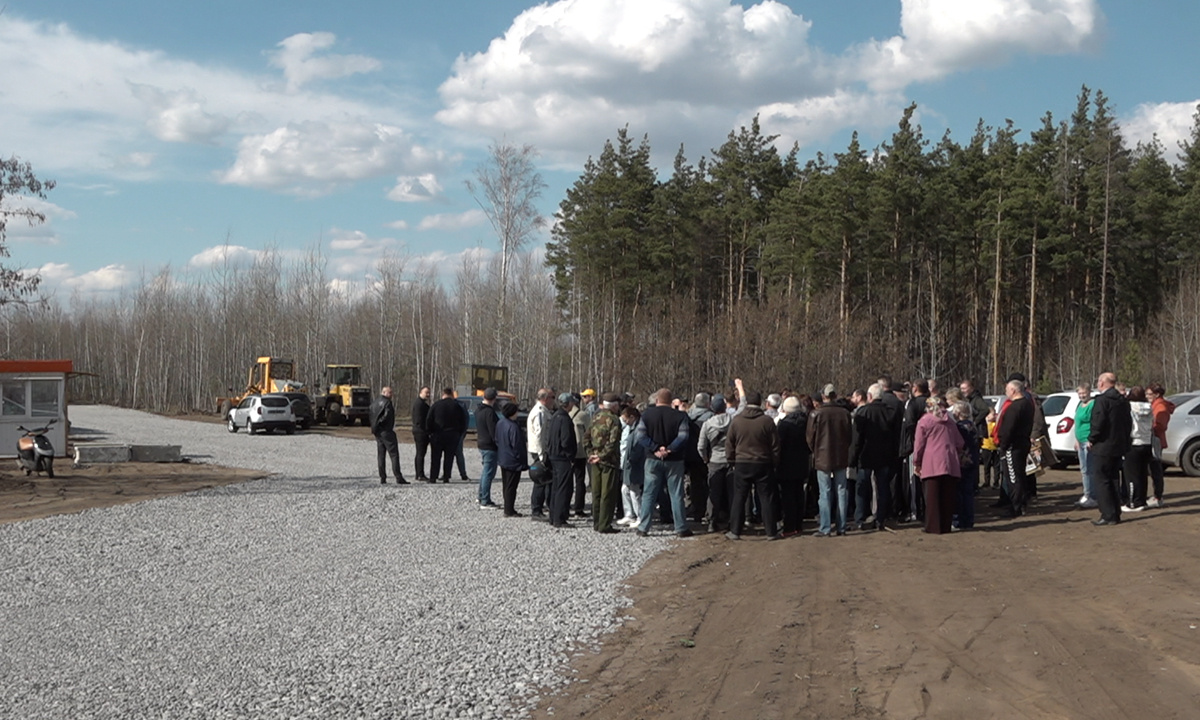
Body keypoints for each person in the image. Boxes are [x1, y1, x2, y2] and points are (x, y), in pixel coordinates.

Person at [634, 388, 691, 538]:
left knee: (649, 494)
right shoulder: (680, 416)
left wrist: (655, 448)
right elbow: (683, 436)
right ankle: (681, 528)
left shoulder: (646, 415)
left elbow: (640, 436)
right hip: (674, 460)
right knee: (676, 494)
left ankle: (643, 527)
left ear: (657, 401)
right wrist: (670, 449)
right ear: (671, 402)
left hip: (653, 459)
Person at [725, 390, 781, 541]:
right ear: (761, 403)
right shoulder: (767, 421)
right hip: (763, 463)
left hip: (742, 463)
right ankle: (771, 532)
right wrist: (774, 462)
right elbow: (775, 446)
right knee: (766, 498)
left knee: (739, 497)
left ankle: (735, 531)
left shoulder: (737, 421)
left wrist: (731, 462)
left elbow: (729, 444)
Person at [913, 397, 963, 534]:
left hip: (931, 462)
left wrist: (916, 462)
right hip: (950, 461)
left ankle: (933, 526)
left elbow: (919, 445)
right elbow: (960, 443)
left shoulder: (924, 421)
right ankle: (946, 526)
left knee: (932, 497)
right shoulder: (951, 422)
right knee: (947, 497)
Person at [807, 386, 852, 537]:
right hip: (840, 456)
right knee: (841, 491)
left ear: (823, 396)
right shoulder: (844, 413)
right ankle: (842, 527)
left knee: (824, 492)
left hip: (822, 457)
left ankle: (825, 527)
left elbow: (809, 438)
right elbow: (849, 436)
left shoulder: (816, 414)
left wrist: (816, 450)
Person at [849, 383, 895, 531]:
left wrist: (853, 458)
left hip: (866, 455)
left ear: (869, 396)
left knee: (862, 487)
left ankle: (860, 518)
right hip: (885, 455)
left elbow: (857, 439)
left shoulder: (863, 413)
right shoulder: (890, 412)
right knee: (883, 488)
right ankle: (881, 518)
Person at [1088, 372, 1132, 526]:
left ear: (1102, 383)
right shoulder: (1123, 401)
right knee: (1114, 479)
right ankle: (1115, 512)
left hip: (1103, 446)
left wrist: (1091, 439)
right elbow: (1129, 423)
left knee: (1102, 480)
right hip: (1118, 446)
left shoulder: (1102, 400)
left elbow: (1098, 422)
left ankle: (1107, 514)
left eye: (1099, 381)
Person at [586, 393, 623, 533]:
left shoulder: (595, 417)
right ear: (614, 405)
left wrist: (591, 454)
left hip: (594, 460)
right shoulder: (614, 420)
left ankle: (596, 523)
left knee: (596, 493)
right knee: (607, 493)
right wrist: (601, 456)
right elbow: (613, 443)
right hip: (609, 461)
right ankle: (605, 525)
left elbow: (586, 437)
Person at [996, 379, 1034, 518]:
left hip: (1013, 446)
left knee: (1013, 478)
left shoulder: (1015, 407)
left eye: (1007, 390)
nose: (1006, 393)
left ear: (1013, 390)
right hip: (1022, 443)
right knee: (1020, 475)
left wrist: (1003, 446)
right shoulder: (1028, 404)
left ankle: (1015, 507)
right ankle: (1021, 503)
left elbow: (1008, 429)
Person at [698, 394, 733, 532]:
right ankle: (733, 521)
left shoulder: (707, 424)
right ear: (725, 407)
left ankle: (712, 521)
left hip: (714, 461)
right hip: (731, 460)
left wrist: (705, 458)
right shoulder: (732, 420)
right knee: (732, 493)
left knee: (714, 493)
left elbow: (701, 446)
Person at [776, 395, 810, 537]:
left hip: (786, 464)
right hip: (802, 463)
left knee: (788, 496)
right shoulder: (807, 422)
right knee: (799, 494)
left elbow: (778, 445)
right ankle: (799, 525)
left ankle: (789, 527)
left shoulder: (784, 425)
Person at [546, 392, 578, 528]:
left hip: (553, 455)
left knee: (555, 487)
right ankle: (559, 518)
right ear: (569, 404)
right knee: (563, 488)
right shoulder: (565, 419)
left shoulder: (554, 416)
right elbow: (566, 441)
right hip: (562, 457)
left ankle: (553, 516)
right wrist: (571, 456)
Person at [900, 379, 929, 522]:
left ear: (916, 388)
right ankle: (927, 509)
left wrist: (915, 440)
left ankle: (915, 511)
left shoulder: (913, 404)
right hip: (932, 446)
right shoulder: (932, 402)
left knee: (914, 479)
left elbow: (910, 424)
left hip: (915, 446)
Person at [685, 393, 715, 523]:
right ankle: (710, 511)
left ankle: (697, 511)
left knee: (695, 484)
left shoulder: (687, 417)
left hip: (691, 455)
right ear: (708, 403)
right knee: (710, 484)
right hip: (708, 454)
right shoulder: (711, 417)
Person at [369, 386, 408, 485]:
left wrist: (375, 426)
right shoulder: (387, 403)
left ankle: (382, 477)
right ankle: (398, 477)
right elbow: (387, 415)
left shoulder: (374, 403)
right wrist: (381, 423)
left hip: (377, 431)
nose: (392, 395)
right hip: (386, 431)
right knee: (394, 454)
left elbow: (370, 416)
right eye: (390, 393)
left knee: (381, 455)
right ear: (384, 392)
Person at [1124, 386, 1154, 512]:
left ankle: (1133, 503)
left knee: (1131, 475)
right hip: (1146, 442)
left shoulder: (1129, 407)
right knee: (1142, 474)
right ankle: (1141, 500)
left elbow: (1127, 425)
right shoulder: (1149, 407)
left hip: (1134, 442)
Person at [495, 402, 528, 517]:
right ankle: (509, 510)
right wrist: (521, 459)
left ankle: (507, 507)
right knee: (512, 486)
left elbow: (497, 439)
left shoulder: (500, 423)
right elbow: (517, 445)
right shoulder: (513, 426)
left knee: (506, 484)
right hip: (513, 460)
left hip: (503, 457)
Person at [427, 388, 465, 483]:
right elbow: (463, 421)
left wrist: (430, 432)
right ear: (452, 394)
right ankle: (446, 476)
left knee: (435, 457)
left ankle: (433, 477)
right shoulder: (457, 406)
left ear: (443, 394)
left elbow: (429, 419)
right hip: (452, 435)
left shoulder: (436, 405)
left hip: (438, 434)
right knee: (449, 457)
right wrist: (459, 433)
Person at [1146, 383, 1174, 508]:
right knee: (1153, 469)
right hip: (1154, 438)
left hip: (1156, 439)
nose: (1147, 396)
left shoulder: (1160, 407)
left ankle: (1158, 497)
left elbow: (1160, 425)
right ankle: (1157, 495)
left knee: (1156, 469)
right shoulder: (1155, 405)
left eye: (1149, 394)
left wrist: (1148, 426)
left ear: (1157, 394)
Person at [951, 401, 979, 530]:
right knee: (968, 492)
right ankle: (969, 520)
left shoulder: (959, 428)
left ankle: (959, 520)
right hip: (973, 461)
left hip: (962, 462)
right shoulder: (973, 426)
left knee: (958, 492)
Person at [527, 389, 554, 517]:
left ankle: (548, 505)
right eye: (552, 397)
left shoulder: (543, 411)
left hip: (542, 450)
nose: (554, 401)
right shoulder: (539, 413)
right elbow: (539, 435)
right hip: (540, 451)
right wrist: (542, 455)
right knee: (540, 480)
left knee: (547, 479)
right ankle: (536, 510)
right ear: (545, 399)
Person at [617, 405, 644, 527]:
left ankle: (640, 516)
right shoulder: (632, 428)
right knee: (625, 489)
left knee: (634, 491)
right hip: (628, 463)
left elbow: (637, 448)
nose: (625, 422)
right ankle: (629, 514)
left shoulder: (639, 429)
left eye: (626, 419)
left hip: (635, 464)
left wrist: (631, 460)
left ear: (632, 417)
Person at [475, 388, 500, 508]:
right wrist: (499, 443)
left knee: (486, 471)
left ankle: (481, 495)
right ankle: (485, 499)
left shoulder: (478, 410)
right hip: (489, 445)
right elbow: (493, 431)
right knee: (489, 473)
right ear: (494, 398)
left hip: (481, 442)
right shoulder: (489, 412)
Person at [1072, 384, 1097, 509]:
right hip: (1080, 442)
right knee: (1083, 470)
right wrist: (1076, 440)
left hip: (1088, 442)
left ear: (1089, 392)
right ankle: (1086, 494)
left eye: (1084, 393)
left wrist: (1090, 440)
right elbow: (1077, 422)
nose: (1082, 395)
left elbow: (1095, 423)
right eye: (1080, 393)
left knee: (1089, 469)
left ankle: (1091, 495)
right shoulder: (1079, 405)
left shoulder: (1093, 404)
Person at [569, 393, 591, 518]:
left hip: (567, 452)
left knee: (566, 481)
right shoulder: (583, 415)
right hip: (580, 452)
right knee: (580, 480)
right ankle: (578, 507)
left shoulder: (563, 414)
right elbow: (589, 431)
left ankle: (565, 505)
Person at [411, 386, 432, 481]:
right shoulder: (420, 404)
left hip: (418, 430)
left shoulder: (421, 403)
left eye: (428, 393)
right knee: (420, 453)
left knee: (420, 453)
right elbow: (420, 420)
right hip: (420, 432)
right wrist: (427, 430)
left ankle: (418, 474)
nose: (428, 394)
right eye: (426, 392)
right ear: (420, 392)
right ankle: (420, 474)